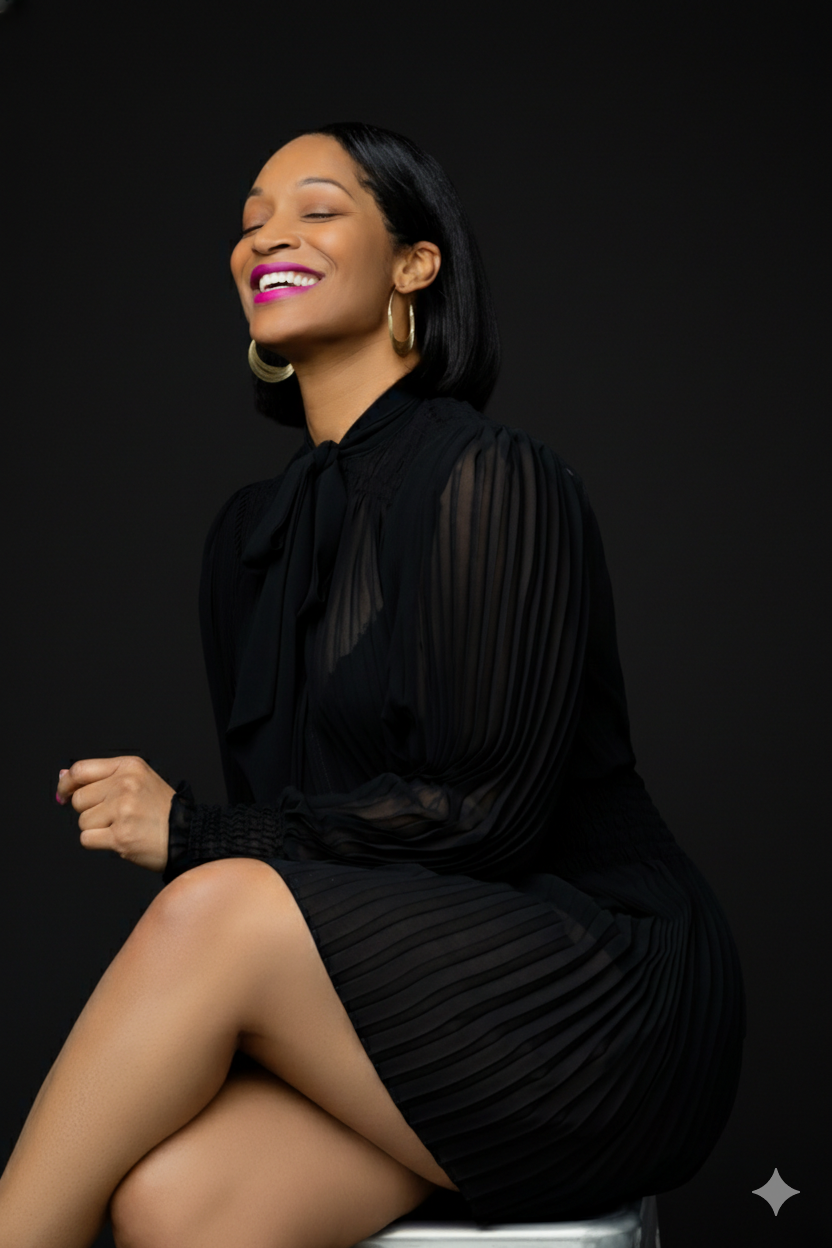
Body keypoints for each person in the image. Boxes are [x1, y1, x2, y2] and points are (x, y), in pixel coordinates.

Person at [0, 121, 746, 1248]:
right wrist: (221, 851)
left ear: (414, 264)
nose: (267, 237)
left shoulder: (494, 477)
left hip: (597, 1001)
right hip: (415, 1005)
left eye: (317, 209)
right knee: (173, 1202)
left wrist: (193, 833)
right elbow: (301, 846)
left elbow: (484, 817)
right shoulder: (249, 538)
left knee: (212, 900)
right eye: (251, 220)